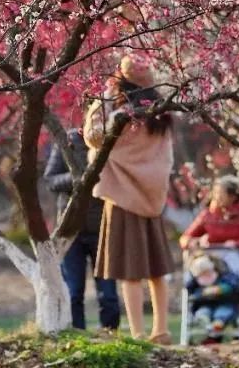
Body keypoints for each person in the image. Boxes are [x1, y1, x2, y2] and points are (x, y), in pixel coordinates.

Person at [84, 54, 174, 344]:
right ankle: (161, 330)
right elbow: (165, 157)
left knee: (130, 272)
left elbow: (93, 136)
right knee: (157, 270)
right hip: (152, 198)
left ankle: (136, 333)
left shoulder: (118, 109)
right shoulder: (162, 111)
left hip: (121, 196)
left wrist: (103, 100)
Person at [43, 130, 120, 331]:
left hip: (104, 228)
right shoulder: (67, 140)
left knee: (108, 293)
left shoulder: (111, 139)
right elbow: (51, 179)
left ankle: (111, 336)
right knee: (73, 291)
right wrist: (78, 178)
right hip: (71, 231)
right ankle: (77, 334)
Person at [180, 175, 239, 314]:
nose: (217, 197)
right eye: (216, 193)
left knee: (233, 296)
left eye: (221, 194)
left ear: (233, 196)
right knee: (208, 294)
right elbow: (185, 238)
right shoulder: (207, 216)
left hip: (235, 267)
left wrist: (236, 244)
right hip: (211, 266)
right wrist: (194, 242)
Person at [184, 253, 239, 344]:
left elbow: (235, 284)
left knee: (223, 311)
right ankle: (205, 322)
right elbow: (191, 291)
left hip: (225, 302)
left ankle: (218, 322)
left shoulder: (225, 276)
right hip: (205, 304)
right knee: (203, 312)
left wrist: (221, 289)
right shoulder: (196, 283)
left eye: (208, 273)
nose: (206, 276)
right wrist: (202, 292)